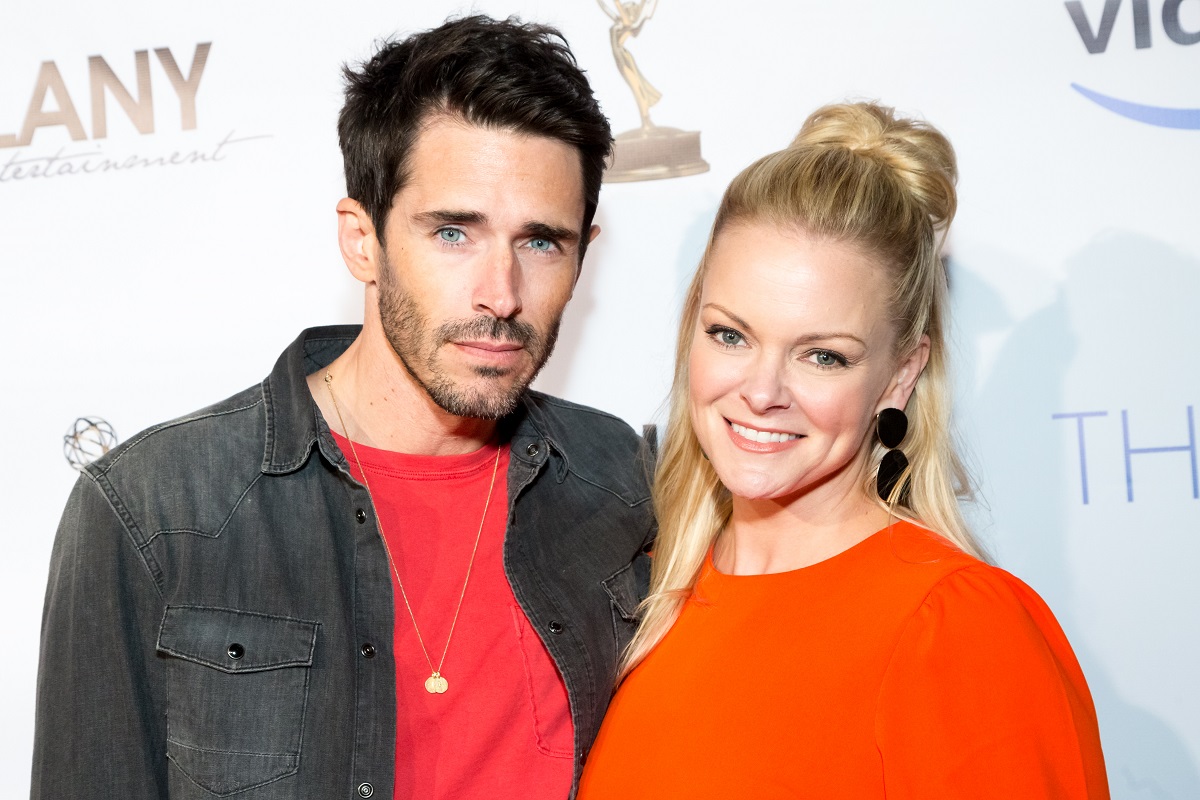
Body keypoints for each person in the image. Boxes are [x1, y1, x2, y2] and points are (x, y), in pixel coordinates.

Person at [31, 16, 655, 800]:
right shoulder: (153, 512)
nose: (501, 295)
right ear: (363, 240)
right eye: (454, 232)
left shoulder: (624, 483)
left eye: (541, 242)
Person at [576, 102, 1109, 798]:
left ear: (901, 375)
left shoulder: (957, 631)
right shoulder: (646, 605)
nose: (762, 391)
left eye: (823, 356)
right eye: (730, 335)